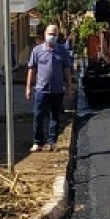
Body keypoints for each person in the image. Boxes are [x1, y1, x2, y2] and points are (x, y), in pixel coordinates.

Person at [26, 24, 74, 152]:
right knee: (38, 116)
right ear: (45, 35)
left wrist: (69, 87)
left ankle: (52, 141)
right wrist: (28, 87)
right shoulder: (37, 51)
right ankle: (38, 142)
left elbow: (67, 70)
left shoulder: (62, 51)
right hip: (41, 90)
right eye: (50, 34)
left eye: (54, 34)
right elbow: (32, 69)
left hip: (57, 90)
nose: (52, 37)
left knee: (55, 116)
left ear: (58, 36)